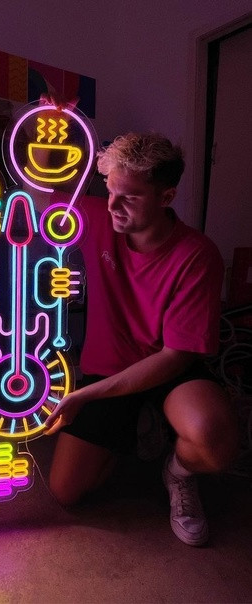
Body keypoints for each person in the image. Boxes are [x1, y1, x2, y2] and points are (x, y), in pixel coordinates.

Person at [43, 131, 239, 546]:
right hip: (109, 368)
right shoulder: (98, 218)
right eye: (109, 190)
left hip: (169, 369)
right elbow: (39, 196)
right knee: (65, 491)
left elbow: (175, 356)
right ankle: (138, 430)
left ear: (166, 197)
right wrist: (49, 121)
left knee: (215, 442)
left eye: (129, 197)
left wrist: (84, 396)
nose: (112, 205)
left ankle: (178, 472)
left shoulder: (198, 254)